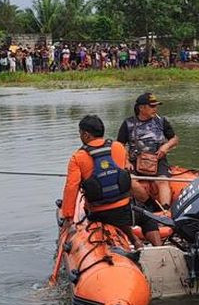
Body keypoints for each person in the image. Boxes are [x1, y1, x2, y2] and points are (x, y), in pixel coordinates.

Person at [60, 115, 163, 249]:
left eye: (80, 133)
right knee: (148, 219)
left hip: (98, 214)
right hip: (123, 210)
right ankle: (159, 250)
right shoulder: (118, 148)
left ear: (85, 134)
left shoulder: (77, 157)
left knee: (115, 213)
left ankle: (135, 241)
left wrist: (68, 217)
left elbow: (71, 188)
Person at [117, 92, 179, 223]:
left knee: (162, 181)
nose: (155, 109)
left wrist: (165, 147)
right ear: (141, 108)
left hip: (158, 160)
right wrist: (126, 160)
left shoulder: (162, 122)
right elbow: (120, 145)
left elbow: (174, 139)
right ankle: (151, 205)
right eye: (152, 106)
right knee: (130, 181)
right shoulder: (128, 123)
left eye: (156, 106)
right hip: (135, 161)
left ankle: (166, 211)